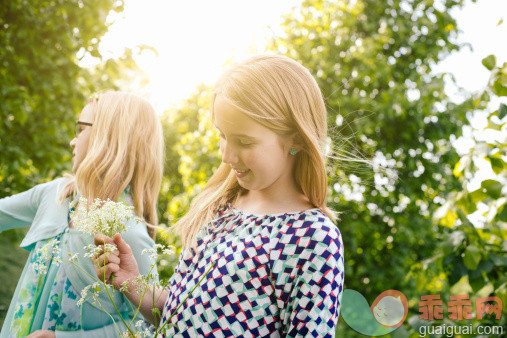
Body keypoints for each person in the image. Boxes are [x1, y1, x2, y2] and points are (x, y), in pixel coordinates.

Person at [95, 55, 345, 337]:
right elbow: (180, 317)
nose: (226, 155)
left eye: (244, 141)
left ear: (297, 139)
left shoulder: (313, 236)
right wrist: (133, 283)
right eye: (222, 136)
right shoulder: (219, 208)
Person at [0, 91, 164, 337]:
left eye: (80, 129)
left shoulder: (129, 233)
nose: (72, 141)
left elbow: (150, 327)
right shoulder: (56, 194)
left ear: (108, 138)